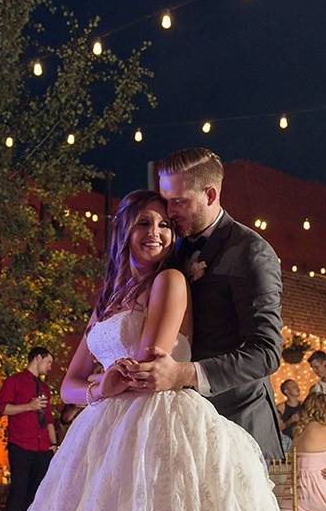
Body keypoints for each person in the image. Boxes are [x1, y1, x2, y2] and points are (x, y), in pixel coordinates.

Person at [0, 190, 308, 511]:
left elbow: (147, 363)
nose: (155, 233)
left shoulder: (169, 281)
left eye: (165, 225)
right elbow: (70, 384)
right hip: (105, 427)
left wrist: (110, 384)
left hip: (161, 422)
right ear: (123, 230)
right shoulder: (107, 300)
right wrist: (101, 388)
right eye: (143, 223)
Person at [121, 148, 285, 461]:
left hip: (237, 423)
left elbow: (266, 352)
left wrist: (184, 373)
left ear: (210, 195)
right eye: (166, 199)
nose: (169, 211)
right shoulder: (175, 245)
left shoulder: (251, 252)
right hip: (183, 426)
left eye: (179, 200)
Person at [0, 346, 57, 511]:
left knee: (39, 495)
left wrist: (54, 445)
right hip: (21, 444)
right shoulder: (15, 381)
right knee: (19, 492)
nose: (49, 366)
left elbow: (48, 420)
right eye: (48, 361)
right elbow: (1, 409)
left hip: (42, 447)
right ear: (37, 358)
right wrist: (28, 407)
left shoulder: (44, 389)